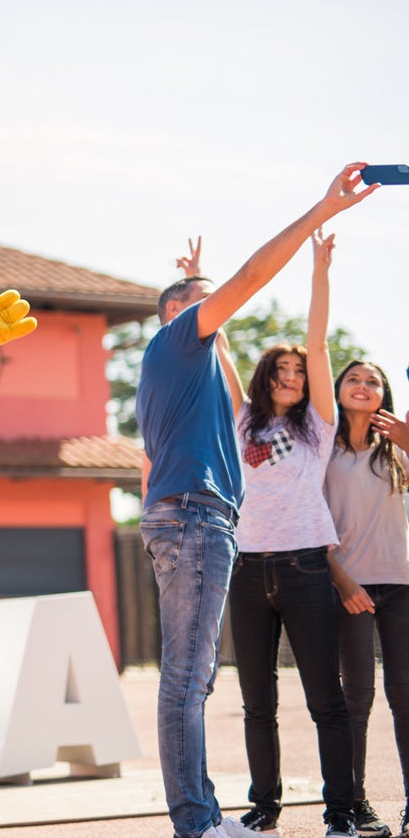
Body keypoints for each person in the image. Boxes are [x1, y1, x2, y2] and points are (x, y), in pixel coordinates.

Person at [137, 163, 377, 838]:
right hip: (197, 518)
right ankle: (198, 823)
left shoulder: (191, 367)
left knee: (195, 678)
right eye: (208, 302)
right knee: (190, 680)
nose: (225, 309)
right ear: (181, 313)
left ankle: (210, 815)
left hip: (205, 521)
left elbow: (231, 334)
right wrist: (320, 211)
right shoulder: (180, 342)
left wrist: (198, 282)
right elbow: (248, 279)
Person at [217, 230, 355, 836]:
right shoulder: (243, 418)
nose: (294, 375)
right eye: (283, 368)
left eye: (300, 370)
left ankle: (341, 812)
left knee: (326, 699)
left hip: (304, 568)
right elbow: (218, 341)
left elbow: (319, 341)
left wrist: (320, 270)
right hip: (246, 569)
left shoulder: (318, 425)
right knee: (257, 703)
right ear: (266, 376)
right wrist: (198, 283)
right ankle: (264, 807)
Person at [324, 360, 409, 838]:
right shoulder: (322, 449)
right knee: (356, 699)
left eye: (373, 381)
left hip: (400, 585)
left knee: (406, 695)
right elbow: (311, 522)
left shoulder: (396, 448)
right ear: (337, 389)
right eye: (354, 378)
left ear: (383, 394)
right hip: (348, 588)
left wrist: (407, 439)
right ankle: (355, 805)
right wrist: (344, 584)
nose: (363, 385)